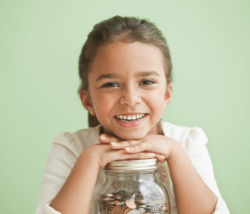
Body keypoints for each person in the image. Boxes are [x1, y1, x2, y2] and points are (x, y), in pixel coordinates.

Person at [35, 16, 230, 214]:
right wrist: (89, 160)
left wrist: (175, 153)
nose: (130, 99)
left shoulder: (187, 144)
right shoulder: (72, 149)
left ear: (167, 94)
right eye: (111, 84)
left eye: (146, 82)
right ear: (88, 100)